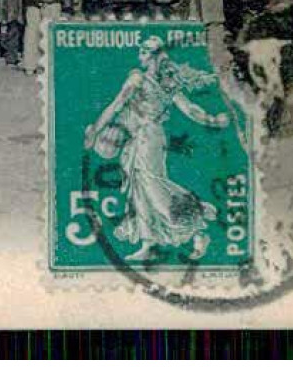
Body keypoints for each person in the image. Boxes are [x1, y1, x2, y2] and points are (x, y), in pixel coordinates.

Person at [83, 36, 231, 262]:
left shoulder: (144, 80)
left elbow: (116, 105)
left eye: (144, 51)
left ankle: (197, 223)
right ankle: (148, 243)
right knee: (140, 189)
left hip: (148, 138)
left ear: (154, 56)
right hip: (140, 138)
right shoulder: (158, 82)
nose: (140, 55)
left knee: (152, 186)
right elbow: (190, 109)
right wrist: (212, 120)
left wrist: (95, 131)